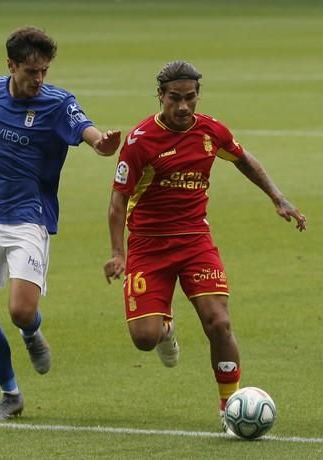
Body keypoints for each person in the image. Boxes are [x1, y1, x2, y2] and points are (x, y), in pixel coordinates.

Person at [103, 60, 306, 432]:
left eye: (190, 98)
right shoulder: (140, 141)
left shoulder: (210, 131)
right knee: (145, 339)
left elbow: (243, 159)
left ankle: (229, 408)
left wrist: (278, 198)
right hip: (148, 246)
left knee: (220, 323)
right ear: (160, 97)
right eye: (174, 99)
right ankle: (165, 330)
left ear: (198, 96)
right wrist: (119, 253)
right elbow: (117, 202)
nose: (183, 107)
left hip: (196, 240)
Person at [0, 26, 120, 421]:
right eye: (31, 71)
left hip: (28, 217)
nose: (39, 79)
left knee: (21, 310)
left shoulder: (57, 104)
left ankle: (31, 332)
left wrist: (100, 143)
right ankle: (10, 394)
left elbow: (85, 129)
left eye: (45, 71)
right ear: (11, 66)